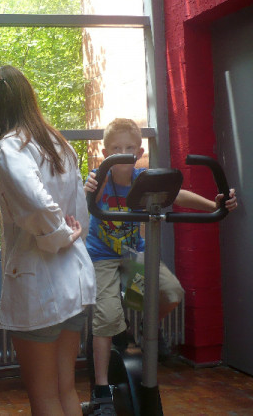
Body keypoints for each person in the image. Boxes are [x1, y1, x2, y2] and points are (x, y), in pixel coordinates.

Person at [83, 117, 238, 412]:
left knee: (171, 292)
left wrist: (214, 205)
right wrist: (90, 186)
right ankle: (101, 390)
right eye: (116, 149)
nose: (123, 154)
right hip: (103, 257)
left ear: (139, 152)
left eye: (129, 148)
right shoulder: (99, 178)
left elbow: (177, 195)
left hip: (134, 254)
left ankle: (146, 325)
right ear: (105, 154)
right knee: (107, 318)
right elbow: (85, 195)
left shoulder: (143, 180)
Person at [0, 65, 96, 416]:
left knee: (44, 397)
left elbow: (38, 205)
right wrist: (69, 236)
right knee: (65, 390)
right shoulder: (57, 142)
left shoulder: (10, 147)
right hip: (73, 279)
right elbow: (80, 214)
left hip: (39, 288)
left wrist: (57, 237)